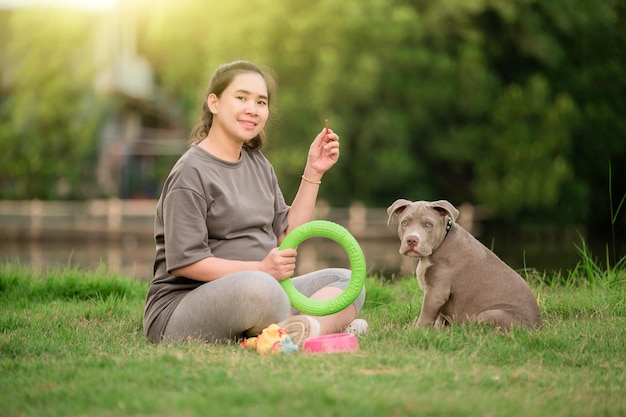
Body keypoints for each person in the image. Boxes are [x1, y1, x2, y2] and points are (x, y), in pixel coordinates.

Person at [143, 60, 367, 346]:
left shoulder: (258, 164)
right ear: (214, 102)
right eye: (241, 98)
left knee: (347, 281)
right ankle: (318, 328)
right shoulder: (191, 172)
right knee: (263, 290)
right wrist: (261, 269)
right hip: (182, 307)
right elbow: (186, 263)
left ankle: (303, 331)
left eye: (261, 102)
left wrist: (314, 171)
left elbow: (286, 236)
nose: (253, 108)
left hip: (264, 289)